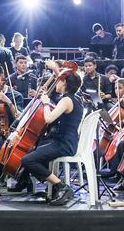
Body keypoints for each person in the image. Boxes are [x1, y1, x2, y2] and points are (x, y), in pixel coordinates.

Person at [17, 60, 84, 206]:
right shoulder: (74, 98)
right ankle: (41, 184)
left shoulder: (66, 100)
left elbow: (48, 118)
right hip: (65, 141)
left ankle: (61, 186)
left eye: (59, 81)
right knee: (33, 149)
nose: (57, 84)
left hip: (63, 144)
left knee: (28, 160)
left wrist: (46, 102)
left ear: (64, 82)